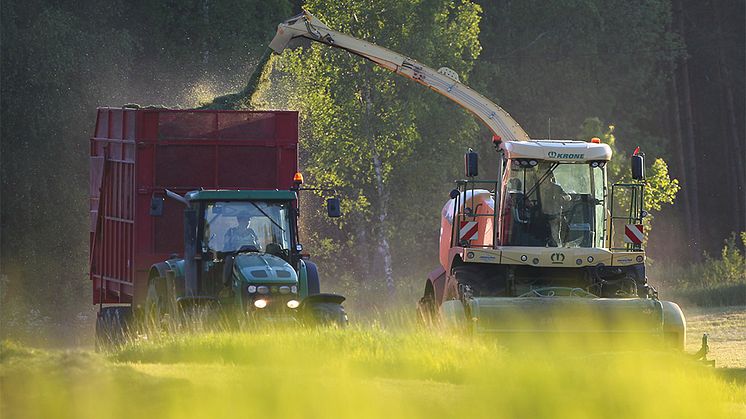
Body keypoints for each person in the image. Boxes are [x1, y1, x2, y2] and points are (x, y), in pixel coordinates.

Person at [538, 173, 572, 246]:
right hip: (541, 215)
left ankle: (557, 249)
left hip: (554, 215)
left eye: (547, 177)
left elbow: (568, 197)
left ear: (551, 177)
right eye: (543, 177)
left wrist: (563, 198)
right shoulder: (537, 187)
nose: (545, 179)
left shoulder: (557, 188)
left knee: (555, 235)